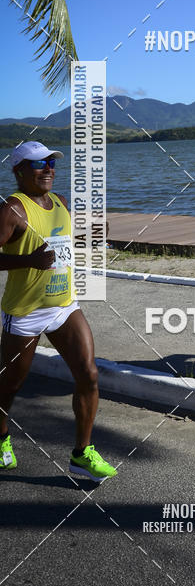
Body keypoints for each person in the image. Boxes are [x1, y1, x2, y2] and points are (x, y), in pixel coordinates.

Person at [0, 141, 117, 482]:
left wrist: (93, 234)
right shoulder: (11, 210)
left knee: (89, 374)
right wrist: (28, 262)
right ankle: (2, 436)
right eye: (39, 164)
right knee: (9, 385)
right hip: (25, 311)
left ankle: (82, 454)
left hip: (64, 305)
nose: (49, 168)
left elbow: (66, 241)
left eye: (51, 162)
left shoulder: (61, 202)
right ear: (19, 170)